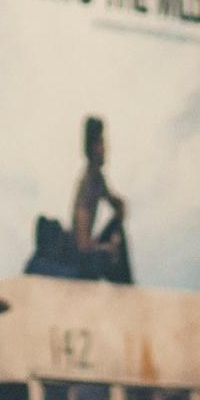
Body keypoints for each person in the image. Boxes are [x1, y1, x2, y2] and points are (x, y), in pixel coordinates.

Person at [69, 116, 133, 283]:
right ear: (91, 148)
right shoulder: (87, 184)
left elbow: (117, 205)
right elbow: (82, 244)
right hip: (82, 260)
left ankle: (127, 285)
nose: (105, 149)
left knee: (118, 231)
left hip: (90, 249)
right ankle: (126, 289)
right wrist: (106, 247)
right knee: (111, 253)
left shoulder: (98, 179)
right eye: (101, 144)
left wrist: (119, 209)